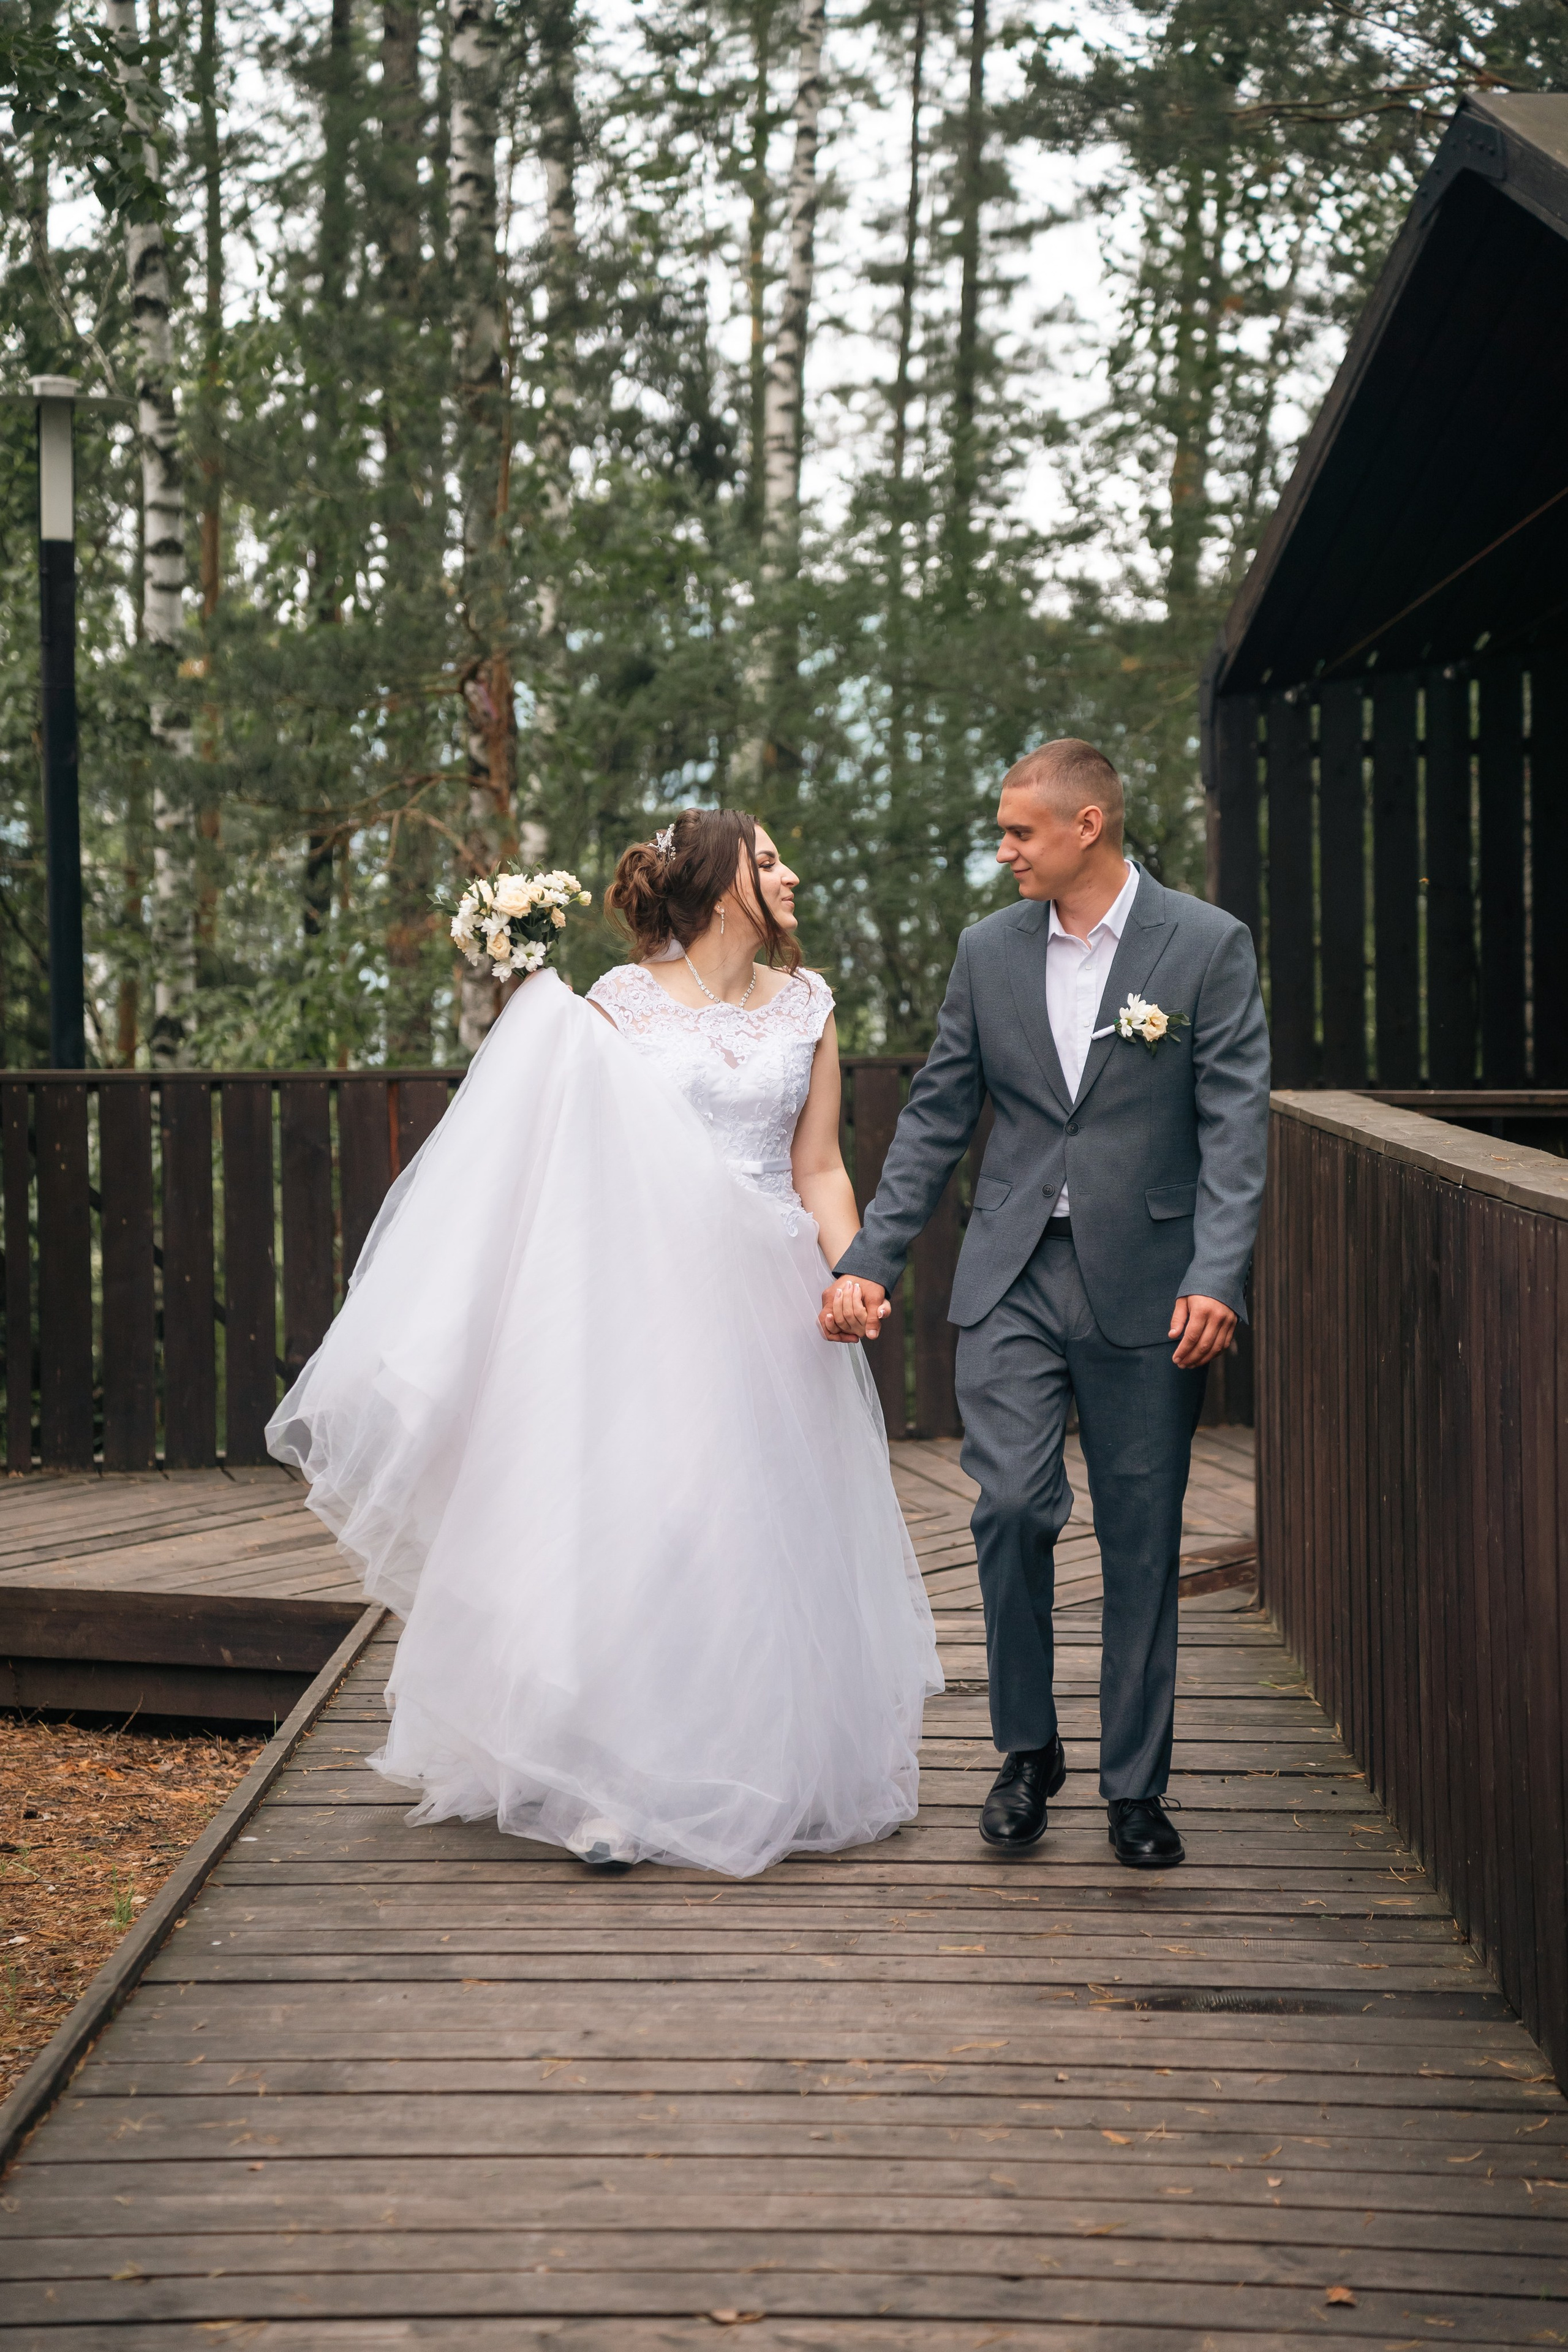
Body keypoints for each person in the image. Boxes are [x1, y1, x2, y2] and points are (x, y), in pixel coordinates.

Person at [266, 807, 940, 1879]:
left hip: (774, 1301)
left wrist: (854, 1271)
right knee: (653, 1527)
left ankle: (759, 1766)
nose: (791, 874)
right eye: (769, 861)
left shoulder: (808, 1007)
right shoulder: (614, 1008)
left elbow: (817, 1167)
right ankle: (618, 1784)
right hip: (654, 1298)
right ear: (724, 886)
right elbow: (561, 1154)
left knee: (755, 1537)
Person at [821, 740, 1268, 1869]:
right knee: (1012, 1507)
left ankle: (1135, 1788)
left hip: (1153, 1283)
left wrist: (1217, 1275)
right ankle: (1028, 1753)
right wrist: (870, 1257)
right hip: (1013, 1271)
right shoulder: (988, 951)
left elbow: (1235, 1127)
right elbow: (934, 1117)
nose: (1006, 849)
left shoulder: (1207, 946)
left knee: (1141, 1533)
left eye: (1021, 831)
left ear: (1090, 826)